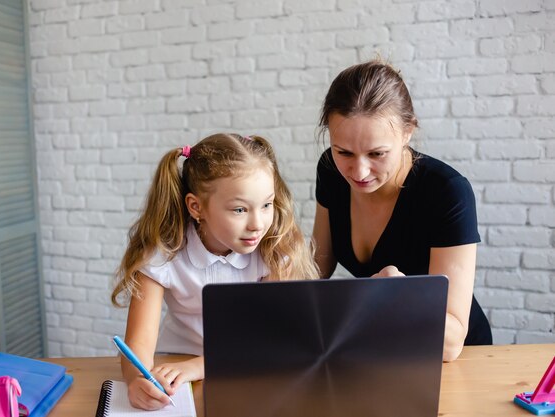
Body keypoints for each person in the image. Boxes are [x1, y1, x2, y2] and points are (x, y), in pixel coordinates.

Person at [111, 133, 318, 410]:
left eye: (267, 204)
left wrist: (200, 366)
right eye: (240, 209)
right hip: (176, 367)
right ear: (196, 207)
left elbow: (274, 340)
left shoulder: (274, 249)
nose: (258, 223)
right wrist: (138, 381)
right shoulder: (163, 254)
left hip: (248, 367)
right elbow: (138, 344)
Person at [312, 60, 492, 362]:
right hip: (386, 349)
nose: (359, 171)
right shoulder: (330, 170)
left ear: (408, 131)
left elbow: (451, 342)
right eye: (344, 152)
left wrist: (397, 297)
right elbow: (318, 266)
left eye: (377, 153)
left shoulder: (447, 192)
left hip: (459, 360)